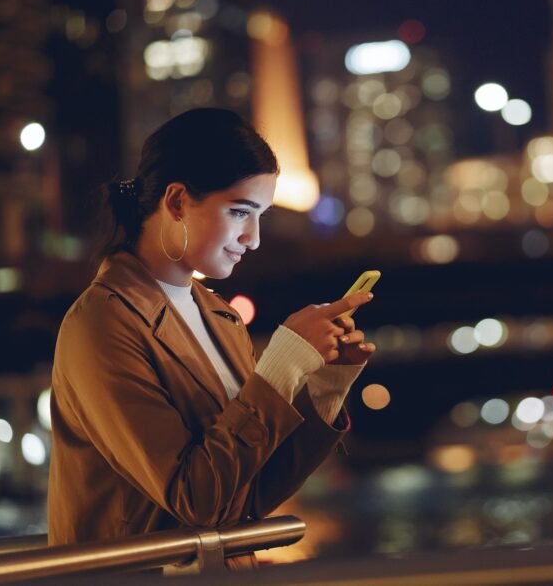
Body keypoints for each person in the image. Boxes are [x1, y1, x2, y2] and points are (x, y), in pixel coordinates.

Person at [46, 108, 375, 569]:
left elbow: (246, 496)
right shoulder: (102, 322)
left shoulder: (219, 317)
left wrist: (324, 390)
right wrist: (280, 364)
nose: (254, 237)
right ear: (177, 201)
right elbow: (195, 501)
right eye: (240, 211)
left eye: (260, 215)